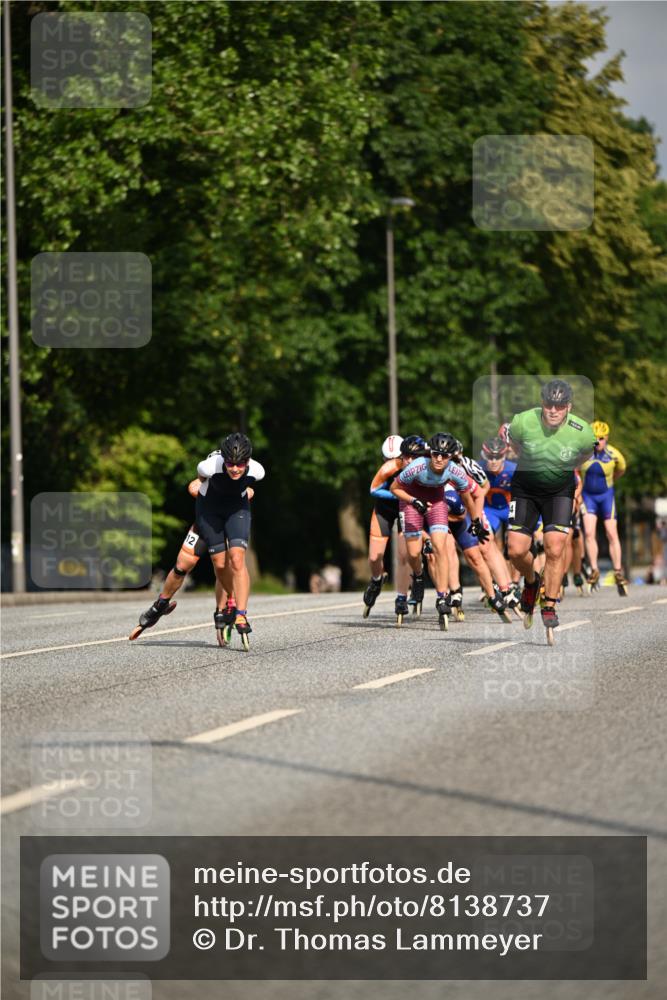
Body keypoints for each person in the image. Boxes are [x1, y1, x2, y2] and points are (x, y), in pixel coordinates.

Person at [506, 379, 596, 636]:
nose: (553, 410)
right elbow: (514, 444)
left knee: (554, 547)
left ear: (568, 406)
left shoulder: (582, 430)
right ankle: (532, 581)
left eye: (559, 406)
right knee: (515, 550)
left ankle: (550, 604)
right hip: (525, 488)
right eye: (548, 405)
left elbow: (586, 453)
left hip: (559, 491)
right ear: (542, 404)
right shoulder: (523, 421)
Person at [390, 431, 488, 622]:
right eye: (435, 454)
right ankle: (418, 576)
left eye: (444, 455)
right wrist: (413, 500)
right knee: (413, 553)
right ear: (430, 453)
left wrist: (476, 520)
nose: (439, 459)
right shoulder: (417, 466)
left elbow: (467, 496)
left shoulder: (454, 470)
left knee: (440, 548)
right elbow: (394, 488)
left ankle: (443, 596)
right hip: (411, 502)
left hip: (436, 503)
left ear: (451, 457)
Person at [194, 432, 265, 645]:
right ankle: (228, 599)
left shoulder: (258, 470)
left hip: (237, 510)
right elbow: (198, 482)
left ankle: (241, 612)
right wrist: (194, 486)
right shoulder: (208, 466)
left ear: (248, 461)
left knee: (236, 558)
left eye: (240, 464)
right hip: (210, 510)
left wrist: (247, 490)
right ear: (223, 460)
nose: (235, 469)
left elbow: (248, 484)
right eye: (230, 464)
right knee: (219, 563)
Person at [362, 435, 418, 616]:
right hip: (385, 509)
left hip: (406, 509)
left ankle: (402, 597)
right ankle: (377, 579)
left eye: (397, 458)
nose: (393, 462)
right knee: (373, 557)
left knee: (403, 555)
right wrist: (396, 495)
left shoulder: (415, 465)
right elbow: (373, 490)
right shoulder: (388, 468)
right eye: (388, 459)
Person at [579, 420, 628, 593]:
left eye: (601, 438)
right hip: (588, 497)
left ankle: (617, 571)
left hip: (606, 497)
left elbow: (621, 469)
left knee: (611, 532)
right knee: (590, 532)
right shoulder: (583, 453)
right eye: (595, 438)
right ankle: (594, 569)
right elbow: (575, 472)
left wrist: (612, 481)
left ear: (606, 438)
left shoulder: (614, 454)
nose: (598, 442)